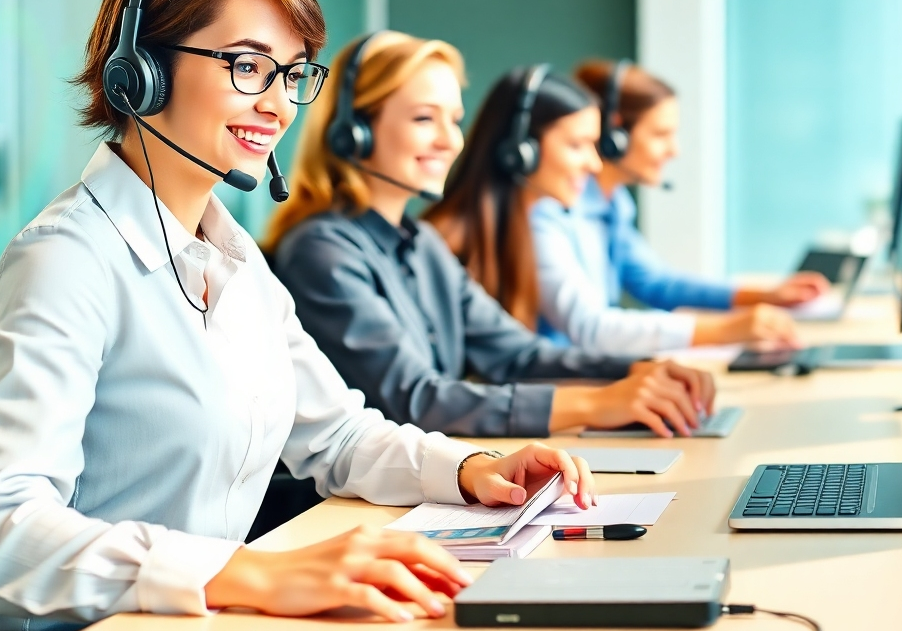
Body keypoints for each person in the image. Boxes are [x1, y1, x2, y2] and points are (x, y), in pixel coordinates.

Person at [0, 0, 597, 631]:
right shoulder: (66, 261)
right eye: (248, 66)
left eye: (291, 75)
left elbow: (339, 436)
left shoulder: (233, 258)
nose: (279, 105)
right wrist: (252, 574)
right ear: (140, 73)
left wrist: (476, 469)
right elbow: (1, 533)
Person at [266, 32, 715, 442]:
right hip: (345, 503)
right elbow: (414, 401)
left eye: (454, 120)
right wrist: (599, 403)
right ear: (353, 133)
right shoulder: (321, 252)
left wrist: (639, 372)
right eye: (425, 119)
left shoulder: (421, 243)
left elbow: (517, 355)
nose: (451, 141)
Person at [426, 65, 807, 359]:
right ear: (520, 151)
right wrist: (727, 329)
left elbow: (654, 283)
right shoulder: (528, 222)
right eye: (577, 145)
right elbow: (581, 333)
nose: (593, 165)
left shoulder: (537, 217)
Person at [535, 58, 829, 353]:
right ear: (615, 137)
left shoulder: (613, 203)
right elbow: (591, 327)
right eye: (661, 135)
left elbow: (657, 284)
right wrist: (729, 328)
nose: (674, 151)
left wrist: (766, 296)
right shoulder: (551, 210)